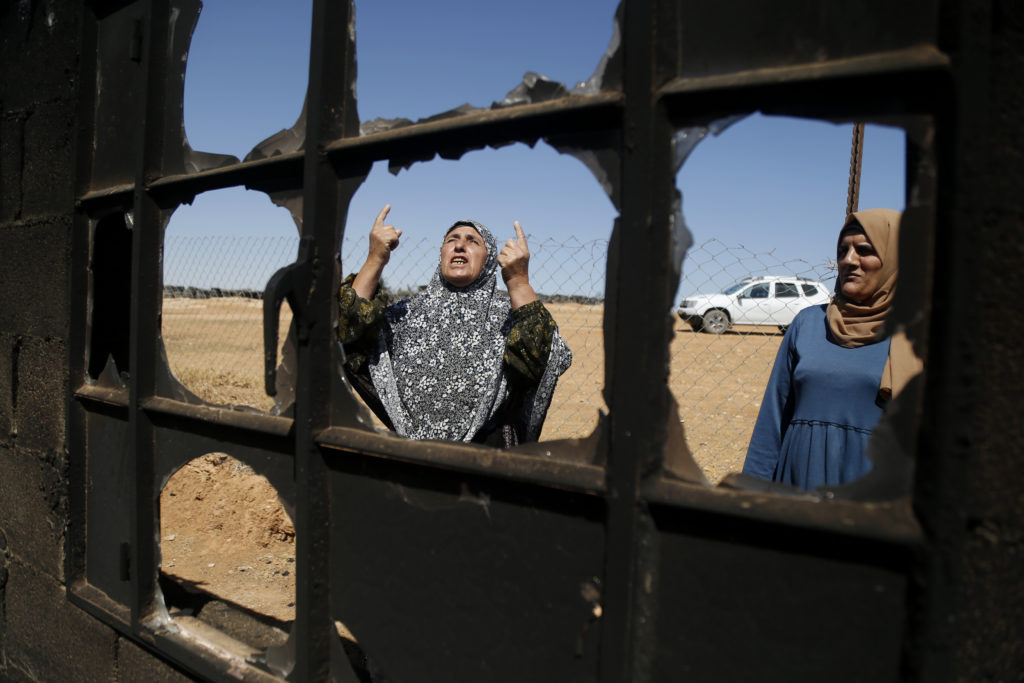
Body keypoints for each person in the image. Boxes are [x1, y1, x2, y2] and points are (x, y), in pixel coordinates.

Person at [337, 205, 572, 447]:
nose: (459, 245)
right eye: (452, 240)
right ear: (441, 254)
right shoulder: (404, 315)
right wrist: (375, 258)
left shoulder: (511, 318)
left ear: (489, 258)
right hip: (411, 456)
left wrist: (518, 281)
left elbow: (541, 360)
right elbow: (347, 334)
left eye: (473, 241)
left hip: (488, 460)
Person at [741, 208, 922, 489]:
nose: (849, 260)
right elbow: (772, 421)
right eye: (842, 251)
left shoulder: (915, 336)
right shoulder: (809, 323)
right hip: (796, 483)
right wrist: (752, 490)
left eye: (864, 250)